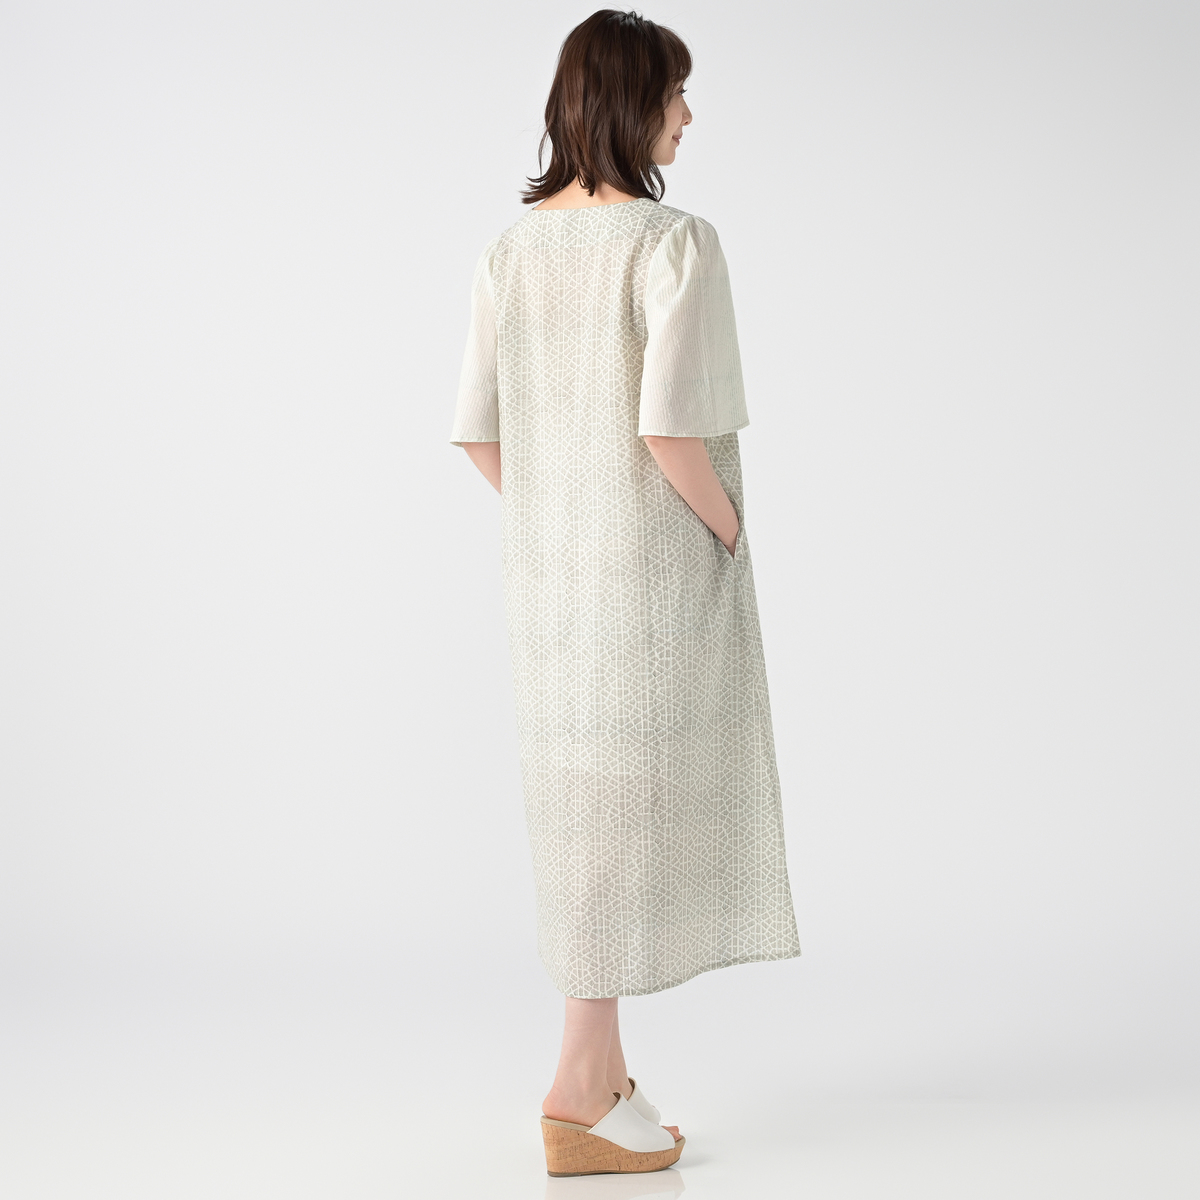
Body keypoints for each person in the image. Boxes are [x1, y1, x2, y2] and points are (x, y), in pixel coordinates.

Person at [449, 9, 801, 1178]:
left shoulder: (508, 252)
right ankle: (575, 1091)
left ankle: (597, 1080)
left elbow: (479, 436)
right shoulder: (673, 243)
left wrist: (562, 519)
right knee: (626, 819)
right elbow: (670, 430)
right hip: (651, 576)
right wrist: (729, 531)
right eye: (674, 94)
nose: (688, 116)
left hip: (550, 587)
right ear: (627, 102)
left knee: (586, 816)